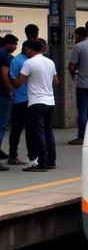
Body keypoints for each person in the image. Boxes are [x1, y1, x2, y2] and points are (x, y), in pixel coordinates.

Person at [13, 38, 58, 172]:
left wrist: (13, 80)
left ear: (30, 49)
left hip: (36, 102)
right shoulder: (50, 62)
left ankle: (42, 163)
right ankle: (51, 161)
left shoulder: (29, 63)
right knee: (48, 131)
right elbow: (56, 81)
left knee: (38, 133)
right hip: (50, 102)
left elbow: (18, 83)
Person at [8, 41, 33, 165]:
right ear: (27, 49)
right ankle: (13, 155)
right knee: (17, 129)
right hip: (20, 99)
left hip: (30, 99)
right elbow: (12, 78)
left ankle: (31, 156)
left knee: (28, 129)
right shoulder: (17, 61)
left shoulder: (30, 60)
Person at [0, 34, 19, 167]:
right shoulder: (5, 56)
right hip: (2, 95)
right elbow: (4, 75)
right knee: (1, 126)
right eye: (14, 44)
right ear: (8, 44)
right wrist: (10, 89)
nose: (15, 47)